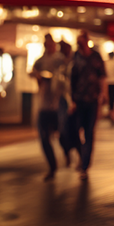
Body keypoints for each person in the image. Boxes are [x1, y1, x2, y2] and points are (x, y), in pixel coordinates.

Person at [69, 29, 106, 181]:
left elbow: (102, 77)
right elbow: (72, 80)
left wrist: (103, 96)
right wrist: (72, 99)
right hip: (78, 100)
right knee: (74, 130)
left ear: (86, 40)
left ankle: (85, 165)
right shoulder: (76, 56)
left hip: (92, 100)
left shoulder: (96, 56)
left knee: (89, 132)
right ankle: (81, 154)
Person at [30, 34, 67, 180]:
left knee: (63, 134)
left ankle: (67, 151)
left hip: (58, 103)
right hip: (44, 104)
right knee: (44, 136)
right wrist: (38, 76)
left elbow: (67, 75)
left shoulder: (60, 59)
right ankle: (52, 167)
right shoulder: (40, 60)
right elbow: (33, 71)